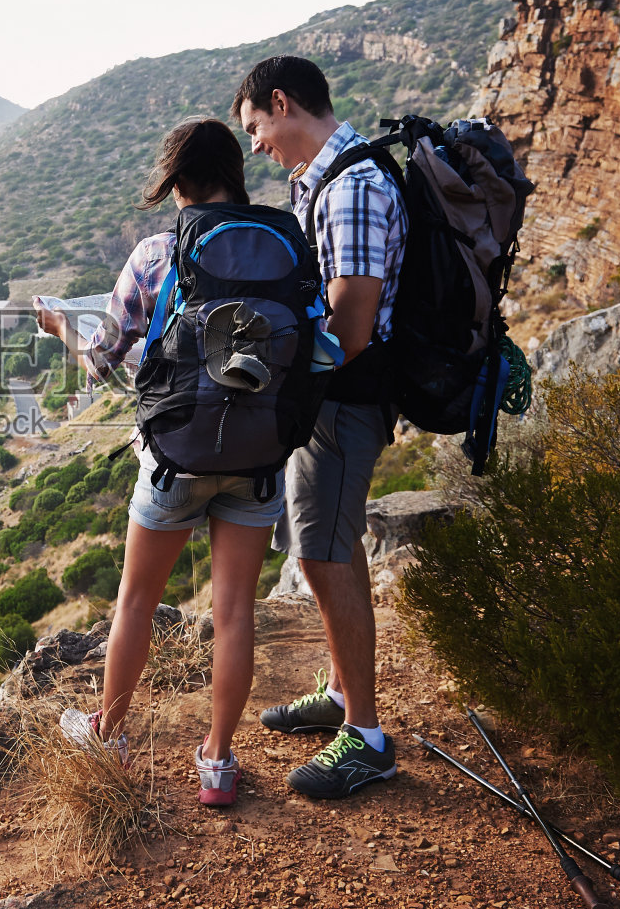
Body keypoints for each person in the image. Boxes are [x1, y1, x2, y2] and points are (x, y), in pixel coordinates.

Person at [33, 117, 281, 808]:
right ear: (236, 172)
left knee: (137, 599)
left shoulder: (156, 252)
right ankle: (219, 761)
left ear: (175, 182)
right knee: (234, 610)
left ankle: (108, 731)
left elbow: (103, 358)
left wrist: (59, 326)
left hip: (176, 453)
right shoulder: (284, 243)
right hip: (260, 451)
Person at [231, 55, 406, 798]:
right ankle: (338, 691)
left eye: (256, 128)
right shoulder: (321, 183)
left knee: (329, 551)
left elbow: (354, 325)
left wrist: (277, 364)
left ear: (282, 103)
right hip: (326, 399)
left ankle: (364, 735)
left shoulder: (356, 187)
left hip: (346, 400)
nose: (256, 146)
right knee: (315, 544)